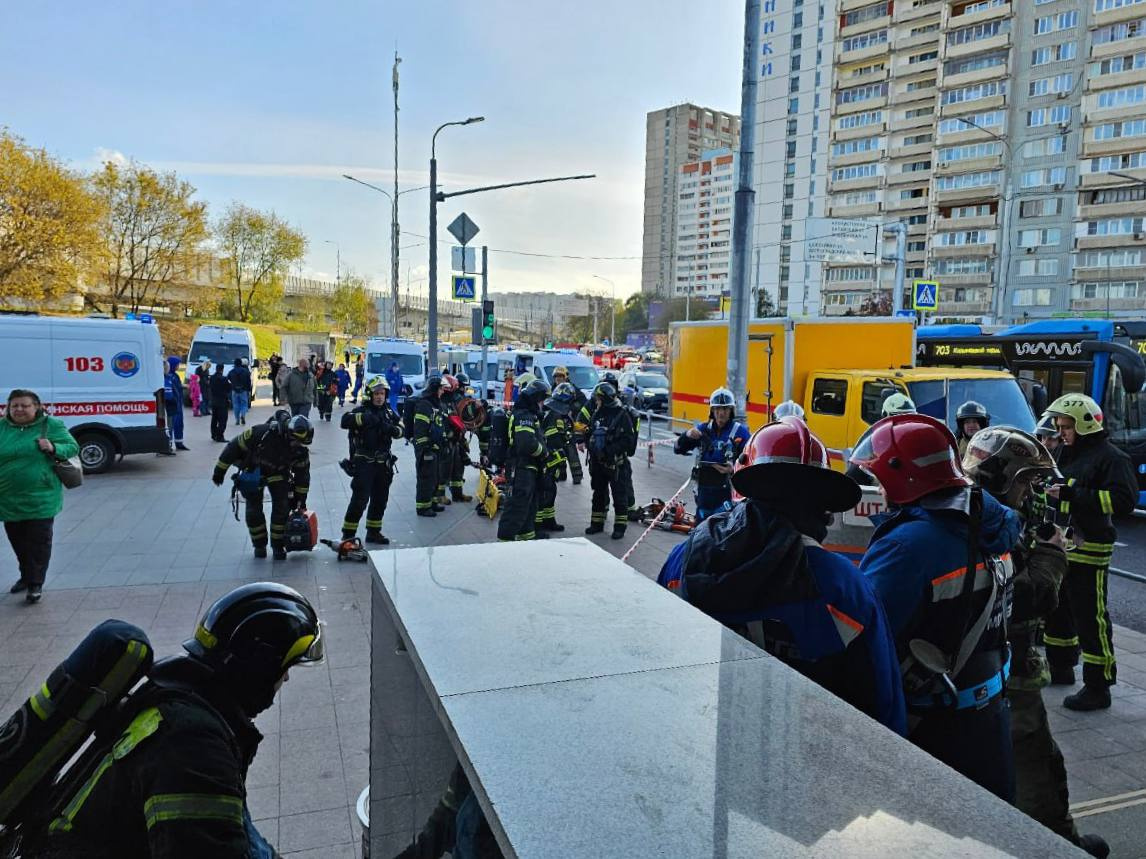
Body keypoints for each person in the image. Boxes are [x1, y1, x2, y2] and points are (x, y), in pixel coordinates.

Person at [23, 582, 322, 858]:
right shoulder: (194, 748)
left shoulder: (179, 694)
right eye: (284, 669)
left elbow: (237, 833)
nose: (285, 678)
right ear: (259, 669)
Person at [658, 417, 906, 735]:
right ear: (822, 505)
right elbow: (882, 711)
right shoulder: (844, 588)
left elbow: (659, 657)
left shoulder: (686, 560)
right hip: (809, 756)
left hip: (699, 737)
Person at [852, 413, 1020, 802]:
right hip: (989, 709)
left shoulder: (907, 548)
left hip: (935, 724)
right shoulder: (989, 523)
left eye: (878, 476)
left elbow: (867, 639)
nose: (877, 486)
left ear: (900, 476)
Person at [962, 426, 1110, 859]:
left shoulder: (976, 513)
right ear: (1000, 475)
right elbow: (1027, 597)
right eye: (1026, 479)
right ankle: (1055, 846)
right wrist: (1052, 553)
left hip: (998, 673)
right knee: (1035, 769)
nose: (1031, 490)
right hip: (1006, 676)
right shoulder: (987, 526)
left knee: (1040, 760)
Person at [1042, 393, 1138, 712]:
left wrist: (1073, 493)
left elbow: (1123, 501)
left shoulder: (1112, 458)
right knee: (1057, 611)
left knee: (1090, 618)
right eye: (1059, 426)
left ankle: (1098, 687)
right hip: (1062, 546)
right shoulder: (1068, 454)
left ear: (1084, 425)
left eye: (1066, 427)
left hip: (1090, 550)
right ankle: (1061, 667)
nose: (1061, 432)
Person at [0, 389, 79, 604]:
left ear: (36, 406)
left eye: (24, 405)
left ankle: (36, 583)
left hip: (41, 496)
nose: (19, 409)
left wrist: (53, 447)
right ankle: (26, 576)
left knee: (38, 541)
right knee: (18, 541)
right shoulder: (2, 427)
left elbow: (73, 447)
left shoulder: (50, 425)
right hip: (8, 498)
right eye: (14, 405)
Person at [212, 411, 313, 560]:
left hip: (278, 474)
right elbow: (233, 447)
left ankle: (278, 546)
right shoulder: (261, 433)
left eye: (301, 443)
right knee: (254, 510)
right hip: (253, 472)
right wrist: (219, 471)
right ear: (288, 434)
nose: (298, 445)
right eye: (296, 441)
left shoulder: (300, 451)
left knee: (282, 508)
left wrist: (300, 499)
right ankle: (259, 546)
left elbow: (302, 477)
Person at [341, 377, 403, 545]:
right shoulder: (362, 410)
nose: (379, 397)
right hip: (364, 463)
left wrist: (392, 429)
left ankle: (374, 532)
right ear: (369, 394)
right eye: (376, 393)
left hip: (383, 464)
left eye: (382, 393)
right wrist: (365, 419)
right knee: (360, 500)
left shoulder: (389, 412)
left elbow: (401, 429)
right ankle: (348, 536)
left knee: (380, 499)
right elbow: (344, 421)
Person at [674, 387, 750, 520]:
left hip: (728, 493)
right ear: (712, 410)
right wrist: (687, 435)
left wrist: (733, 469)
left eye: (725, 409)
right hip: (704, 493)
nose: (721, 413)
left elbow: (751, 462)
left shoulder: (741, 433)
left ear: (731, 410)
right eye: (717, 409)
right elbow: (678, 448)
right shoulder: (703, 430)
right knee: (700, 535)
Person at [498, 379, 551, 542]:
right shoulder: (524, 416)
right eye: (541, 399)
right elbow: (526, 443)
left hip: (529, 468)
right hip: (521, 468)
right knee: (517, 506)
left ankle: (526, 539)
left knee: (529, 506)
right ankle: (504, 541)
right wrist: (544, 453)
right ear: (535, 398)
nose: (542, 403)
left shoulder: (529, 414)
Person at [585, 381, 637, 540]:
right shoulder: (597, 413)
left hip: (617, 464)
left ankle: (620, 527)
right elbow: (591, 434)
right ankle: (596, 524)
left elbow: (628, 440)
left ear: (605, 399)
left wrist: (610, 450)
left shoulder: (622, 415)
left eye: (598, 399)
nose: (596, 402)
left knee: (619, 496)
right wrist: (590, 444)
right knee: (598, 494)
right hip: (598, 463)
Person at [536, 382, 576, 533]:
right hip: (548, 461)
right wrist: (558, 464)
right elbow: (555, 440)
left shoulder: (551, 409)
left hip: (549, 459)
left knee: (550, 490)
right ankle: (538, 525)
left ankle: (549, 520)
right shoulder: (556, 414)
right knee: (544, 492)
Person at [413, 375, 447, 517]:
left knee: (434, 477)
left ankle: (432, 503)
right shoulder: (424, 405)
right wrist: (425, 447)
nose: (443, 391)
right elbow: (420, 429)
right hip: (426, 448)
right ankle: (422, 507)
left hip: (435, 447)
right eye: (441, 389)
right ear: (434, 389)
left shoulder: (436, 404)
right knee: (425, 478)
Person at [162, 356, 187, 453]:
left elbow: (178, 386)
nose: (178, 366)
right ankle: (169, 445)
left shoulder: (175, 375)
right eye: (177, 364)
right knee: (171, 424)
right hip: (173, 404)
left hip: (178, 402)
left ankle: (179, 442)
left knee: (179, 424)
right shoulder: (168, 377)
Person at [209, 363, 232, 443]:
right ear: (222, 369)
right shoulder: (224, 379)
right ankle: (220, 436)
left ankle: (213, 434)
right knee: (222, 420)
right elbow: (229, 388)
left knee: (214, 419)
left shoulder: (211, 378)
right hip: (222, 401)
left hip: (214, 400)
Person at [226, 358, 251, 426]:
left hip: (234, 390)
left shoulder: (231, 371)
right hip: (243, 390)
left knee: (236, 405)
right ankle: (243, 415)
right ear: (241, 363)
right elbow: (249, 381)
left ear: (234, 364)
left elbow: (227, 380)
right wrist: (248, 390)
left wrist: (231, 386)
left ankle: (237, 420)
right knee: (244, 404)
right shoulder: (246, 371)